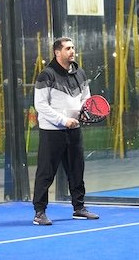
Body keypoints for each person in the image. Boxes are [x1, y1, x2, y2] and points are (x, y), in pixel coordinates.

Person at [32, 37, 99, 225]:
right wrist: (63, 121)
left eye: (73, 48)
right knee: (46, 173)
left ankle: (79, 208)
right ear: (57, 52)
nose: (72, 51)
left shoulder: (80, 73)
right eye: (68, 48)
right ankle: (39, 212)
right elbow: (40, 105)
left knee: (77, 171)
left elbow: (86, 100)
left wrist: (83, 115)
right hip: (51, 132)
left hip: (74, 131)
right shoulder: (46, 75)